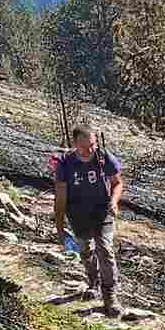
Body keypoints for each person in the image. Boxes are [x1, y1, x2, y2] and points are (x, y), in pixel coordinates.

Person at [55, 125, 124, 317]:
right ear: (74, 144)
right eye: (85, 147)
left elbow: (117, 183)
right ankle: (93, 281)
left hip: (103, 211)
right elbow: (60, 198)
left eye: (93, 145)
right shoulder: (65, 164)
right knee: (85, 249)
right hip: (78, 214)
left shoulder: (103, 157)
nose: (90, 150)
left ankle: (110, 296)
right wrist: (60, 229)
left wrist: (114, 201)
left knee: (105, 249)